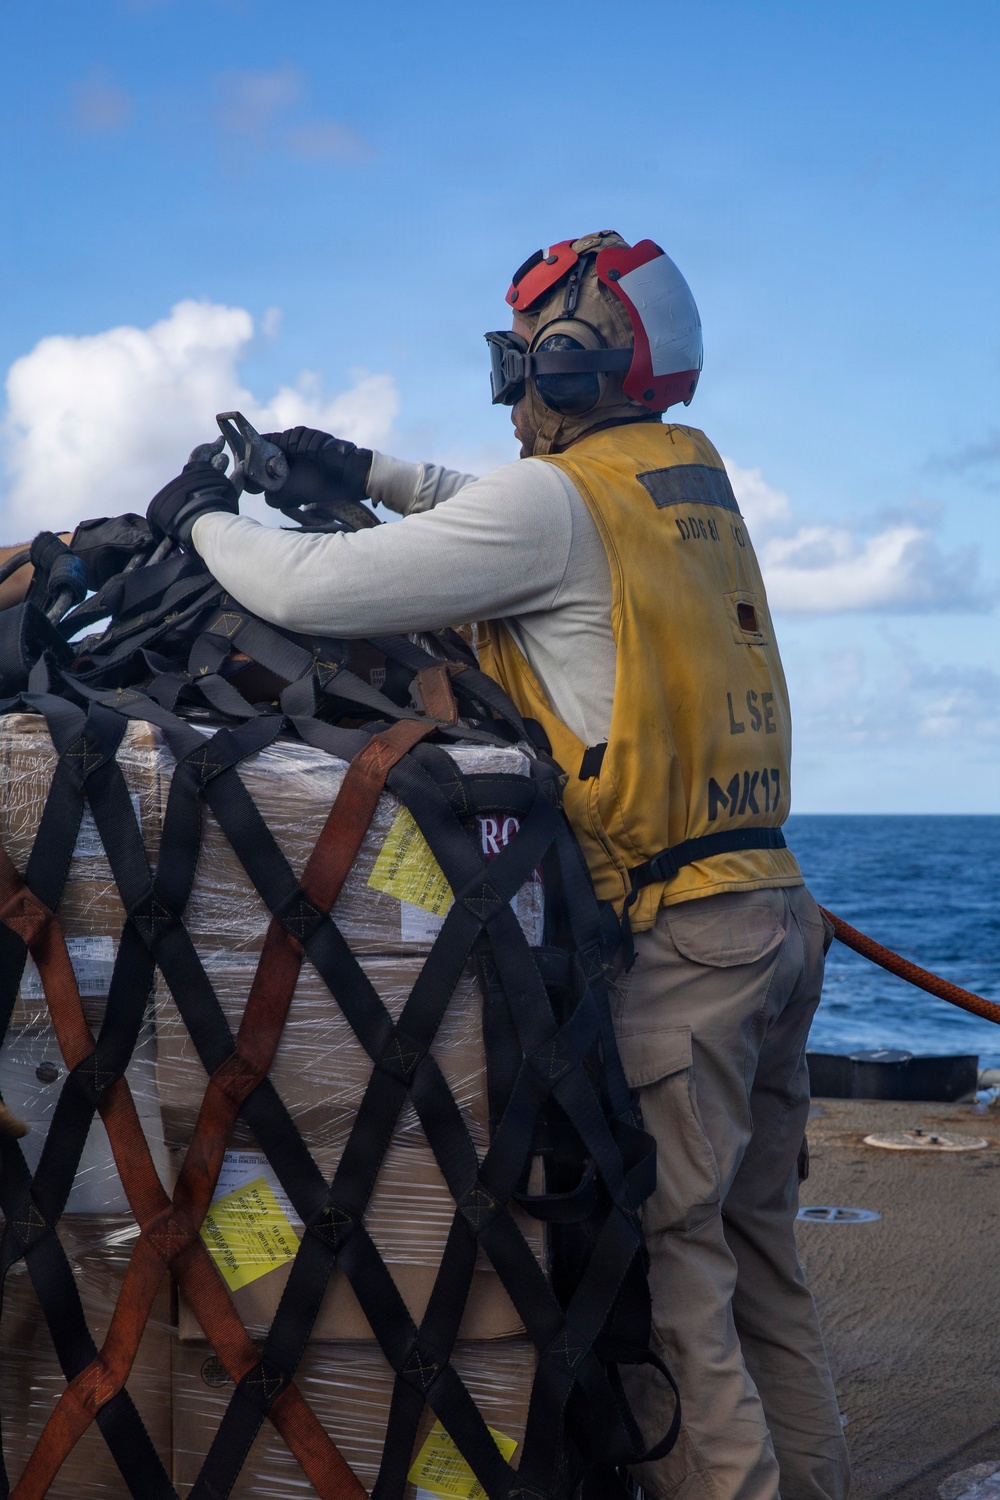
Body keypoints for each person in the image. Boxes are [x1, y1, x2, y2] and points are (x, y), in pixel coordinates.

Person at [24, 230, 853, 1498]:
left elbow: (309, 587)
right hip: (775, 919)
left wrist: (202, 521)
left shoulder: (555, 506)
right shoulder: (684, 486)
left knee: (678, 1289)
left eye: (519, 363)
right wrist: (367, 470)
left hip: (682, 953)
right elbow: (505, 510)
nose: (509, 392)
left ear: (571, 365)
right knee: (764, 1272)